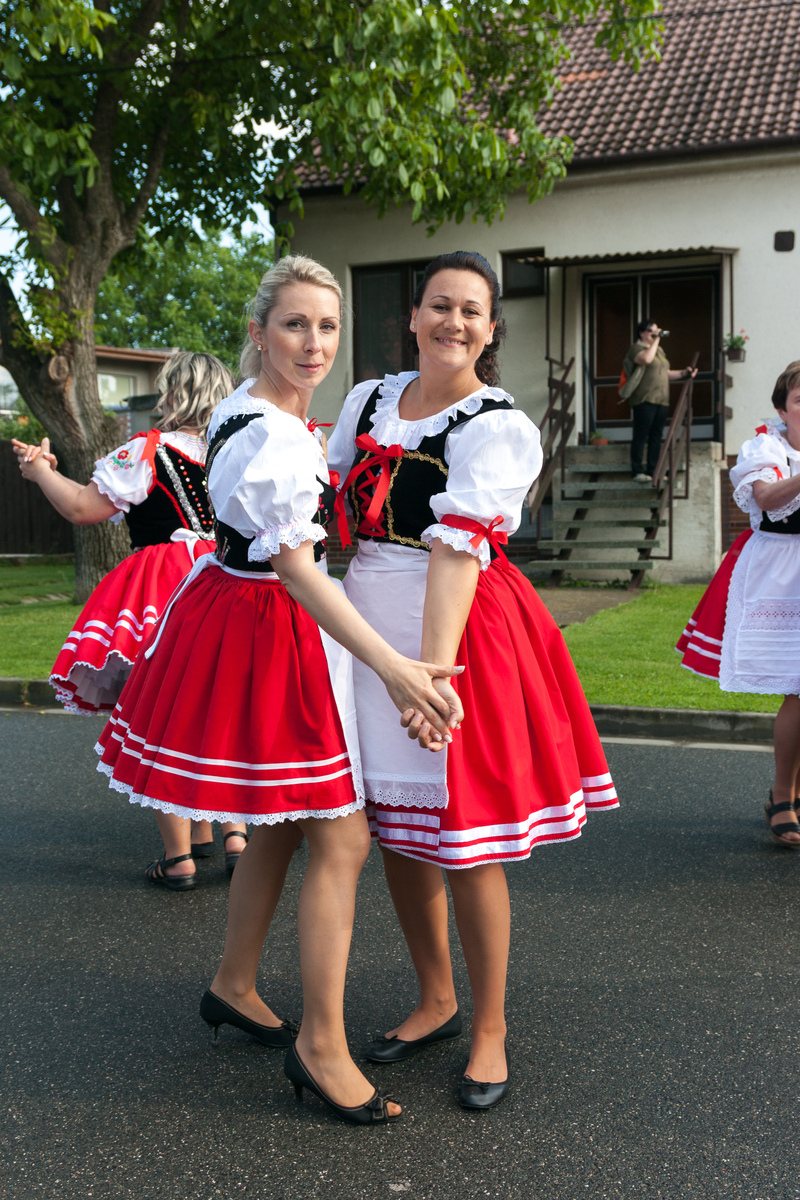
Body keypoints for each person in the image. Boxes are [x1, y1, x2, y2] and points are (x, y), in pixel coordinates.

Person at [95, 255, 463, 1125]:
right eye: (295, 324)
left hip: (242, 610)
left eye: (327, 326)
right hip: (273, 624)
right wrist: (395, 665)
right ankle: (322, 1046)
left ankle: (234, 981)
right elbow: (298, 568)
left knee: (281, 819)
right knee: (343, 837)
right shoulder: (272, 433)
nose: (314, 343)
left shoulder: (250, 410)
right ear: (259, 332)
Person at [327, 251, 618, 1111]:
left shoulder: (498, 425)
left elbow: (458, 551)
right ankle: (436, 997)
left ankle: (489, 1025)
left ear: (491, 330)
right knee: (396, 824)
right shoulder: (369, 400)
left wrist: (431, 675)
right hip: (366, 623)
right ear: (414, 316)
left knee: (465, 840)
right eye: (440, 305)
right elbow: (322, 501)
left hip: (454, 630)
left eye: (471, 311)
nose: (453, 322)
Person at [12, 351, 248, 870]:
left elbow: (82, 507)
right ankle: (232, 835)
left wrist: (40, 471)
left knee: (160, 711)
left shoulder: (147, 450)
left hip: (164, 584)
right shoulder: (241, 449)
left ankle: (179, 857)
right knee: (219, 704)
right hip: (228, 580)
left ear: (174, 392)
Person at [677, 361, 800, 848]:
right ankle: (784, 793)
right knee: (797, 690)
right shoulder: (766, 448)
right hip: (781, 574)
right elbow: (766, 498)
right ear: (782, 410)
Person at [623, 319, 696, 482]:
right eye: (651, 331)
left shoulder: (659, 351)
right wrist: (656, 340)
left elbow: (666, 373)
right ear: (641, 333)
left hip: (661, 399)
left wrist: (684, 373)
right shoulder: (637, 348)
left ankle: (653, 471)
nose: (655, 334)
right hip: (644, 398)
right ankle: (637, 471)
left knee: (656, 435)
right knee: (641, 434)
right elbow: (646, 360)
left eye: (657, 331)